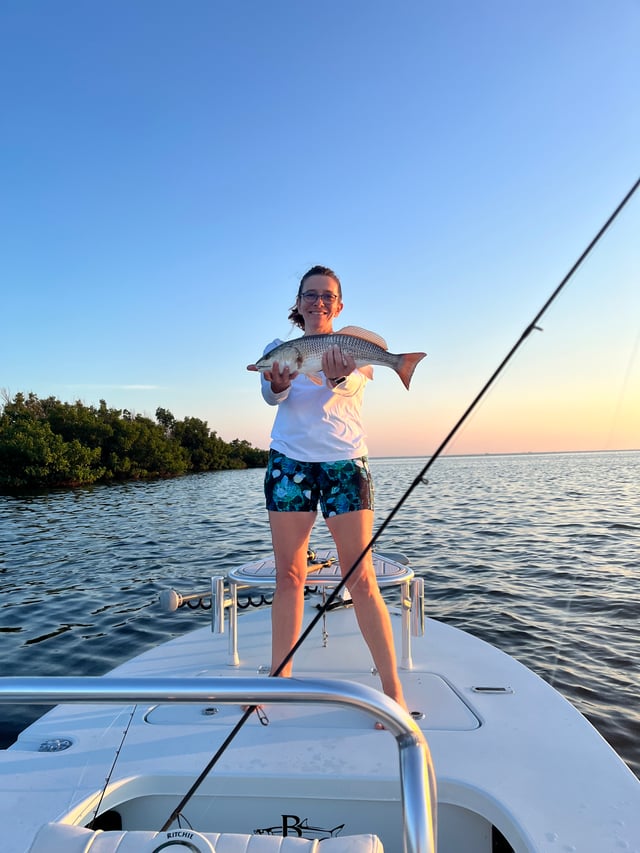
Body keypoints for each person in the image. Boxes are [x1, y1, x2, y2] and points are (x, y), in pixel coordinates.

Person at [247, 265, 408, 713]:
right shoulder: (277, 349)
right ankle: (280, 679)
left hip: (344, 462)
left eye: (326, 296)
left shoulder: (349, 346)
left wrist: (339, 375)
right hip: (289, 463)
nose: (318, 302)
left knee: (360, 576)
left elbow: (353, 385)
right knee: (290, 576)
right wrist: (276, 381)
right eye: (309, 295)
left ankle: (392, 688)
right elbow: (271, 395)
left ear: (338, 306)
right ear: (297, 304)